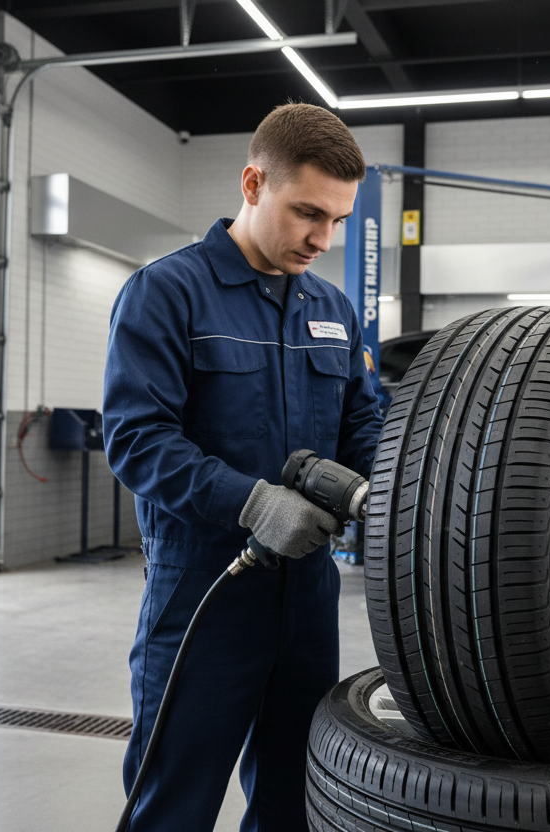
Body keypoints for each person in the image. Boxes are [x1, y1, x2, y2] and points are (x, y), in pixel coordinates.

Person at [102, 103, 383, 832]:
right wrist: (253, 503)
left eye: (337, 220)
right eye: (307, 213)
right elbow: (136, 439)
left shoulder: (332, 307)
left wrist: (395, 488)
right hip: (205, 592)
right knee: (174, 804)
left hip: (309, 597)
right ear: (254, 184)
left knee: (296, 803)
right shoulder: (167, 293)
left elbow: (362, 424)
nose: (323, 239)